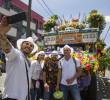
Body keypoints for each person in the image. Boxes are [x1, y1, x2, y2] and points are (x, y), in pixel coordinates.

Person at [0, 16, 38, 100]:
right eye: (26, 44)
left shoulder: (29, 61)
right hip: (11, 97)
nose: (29, 46)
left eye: (31, 46)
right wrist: (1, 35)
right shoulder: (16, 54)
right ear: (21, 45)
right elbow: (7, 48)